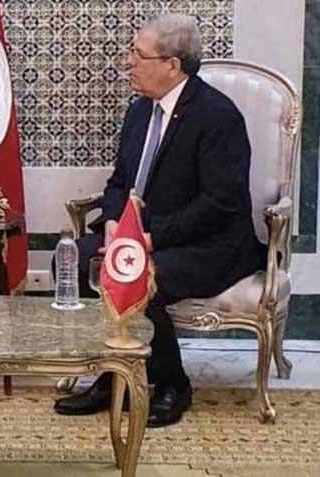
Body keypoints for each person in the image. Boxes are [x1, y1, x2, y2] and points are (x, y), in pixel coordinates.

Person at [54, 14, 266, 427]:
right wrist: (113, 222)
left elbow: (219, 205)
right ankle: (111, 375)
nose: (129, 62)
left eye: (139, 54)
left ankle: (173, 385)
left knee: (141, 276)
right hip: (140, 236)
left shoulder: (218, 116)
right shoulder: (139, 112)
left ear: (172, 65)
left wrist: (148, 239)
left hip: (208, 245)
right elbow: (120, 182)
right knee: (75, 261)